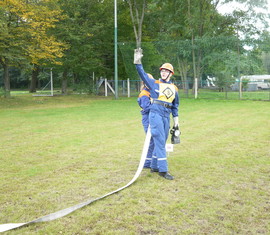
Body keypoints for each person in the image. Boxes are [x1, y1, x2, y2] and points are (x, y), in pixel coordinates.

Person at [134, 48, 180, 180]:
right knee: (159, 141)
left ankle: (154, 165)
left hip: (167, 115)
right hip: (155, 114)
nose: (164, 73)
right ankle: (163, 170)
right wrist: (138, 62)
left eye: (167, 71)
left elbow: (175, 106)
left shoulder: (174, 88)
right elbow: (142, 74)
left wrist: (176, 122)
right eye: (163, 71)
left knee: (163, 140)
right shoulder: (154, 83)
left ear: (171, 74)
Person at [137, 73, 155, 168]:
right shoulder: (144, 94)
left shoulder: (151, 91)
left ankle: (153, 160)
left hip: (152, 117)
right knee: (150, 140)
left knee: (154, 139)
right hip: (147, 118)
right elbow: (146, 107)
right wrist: (156, 105)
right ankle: (147, 162)